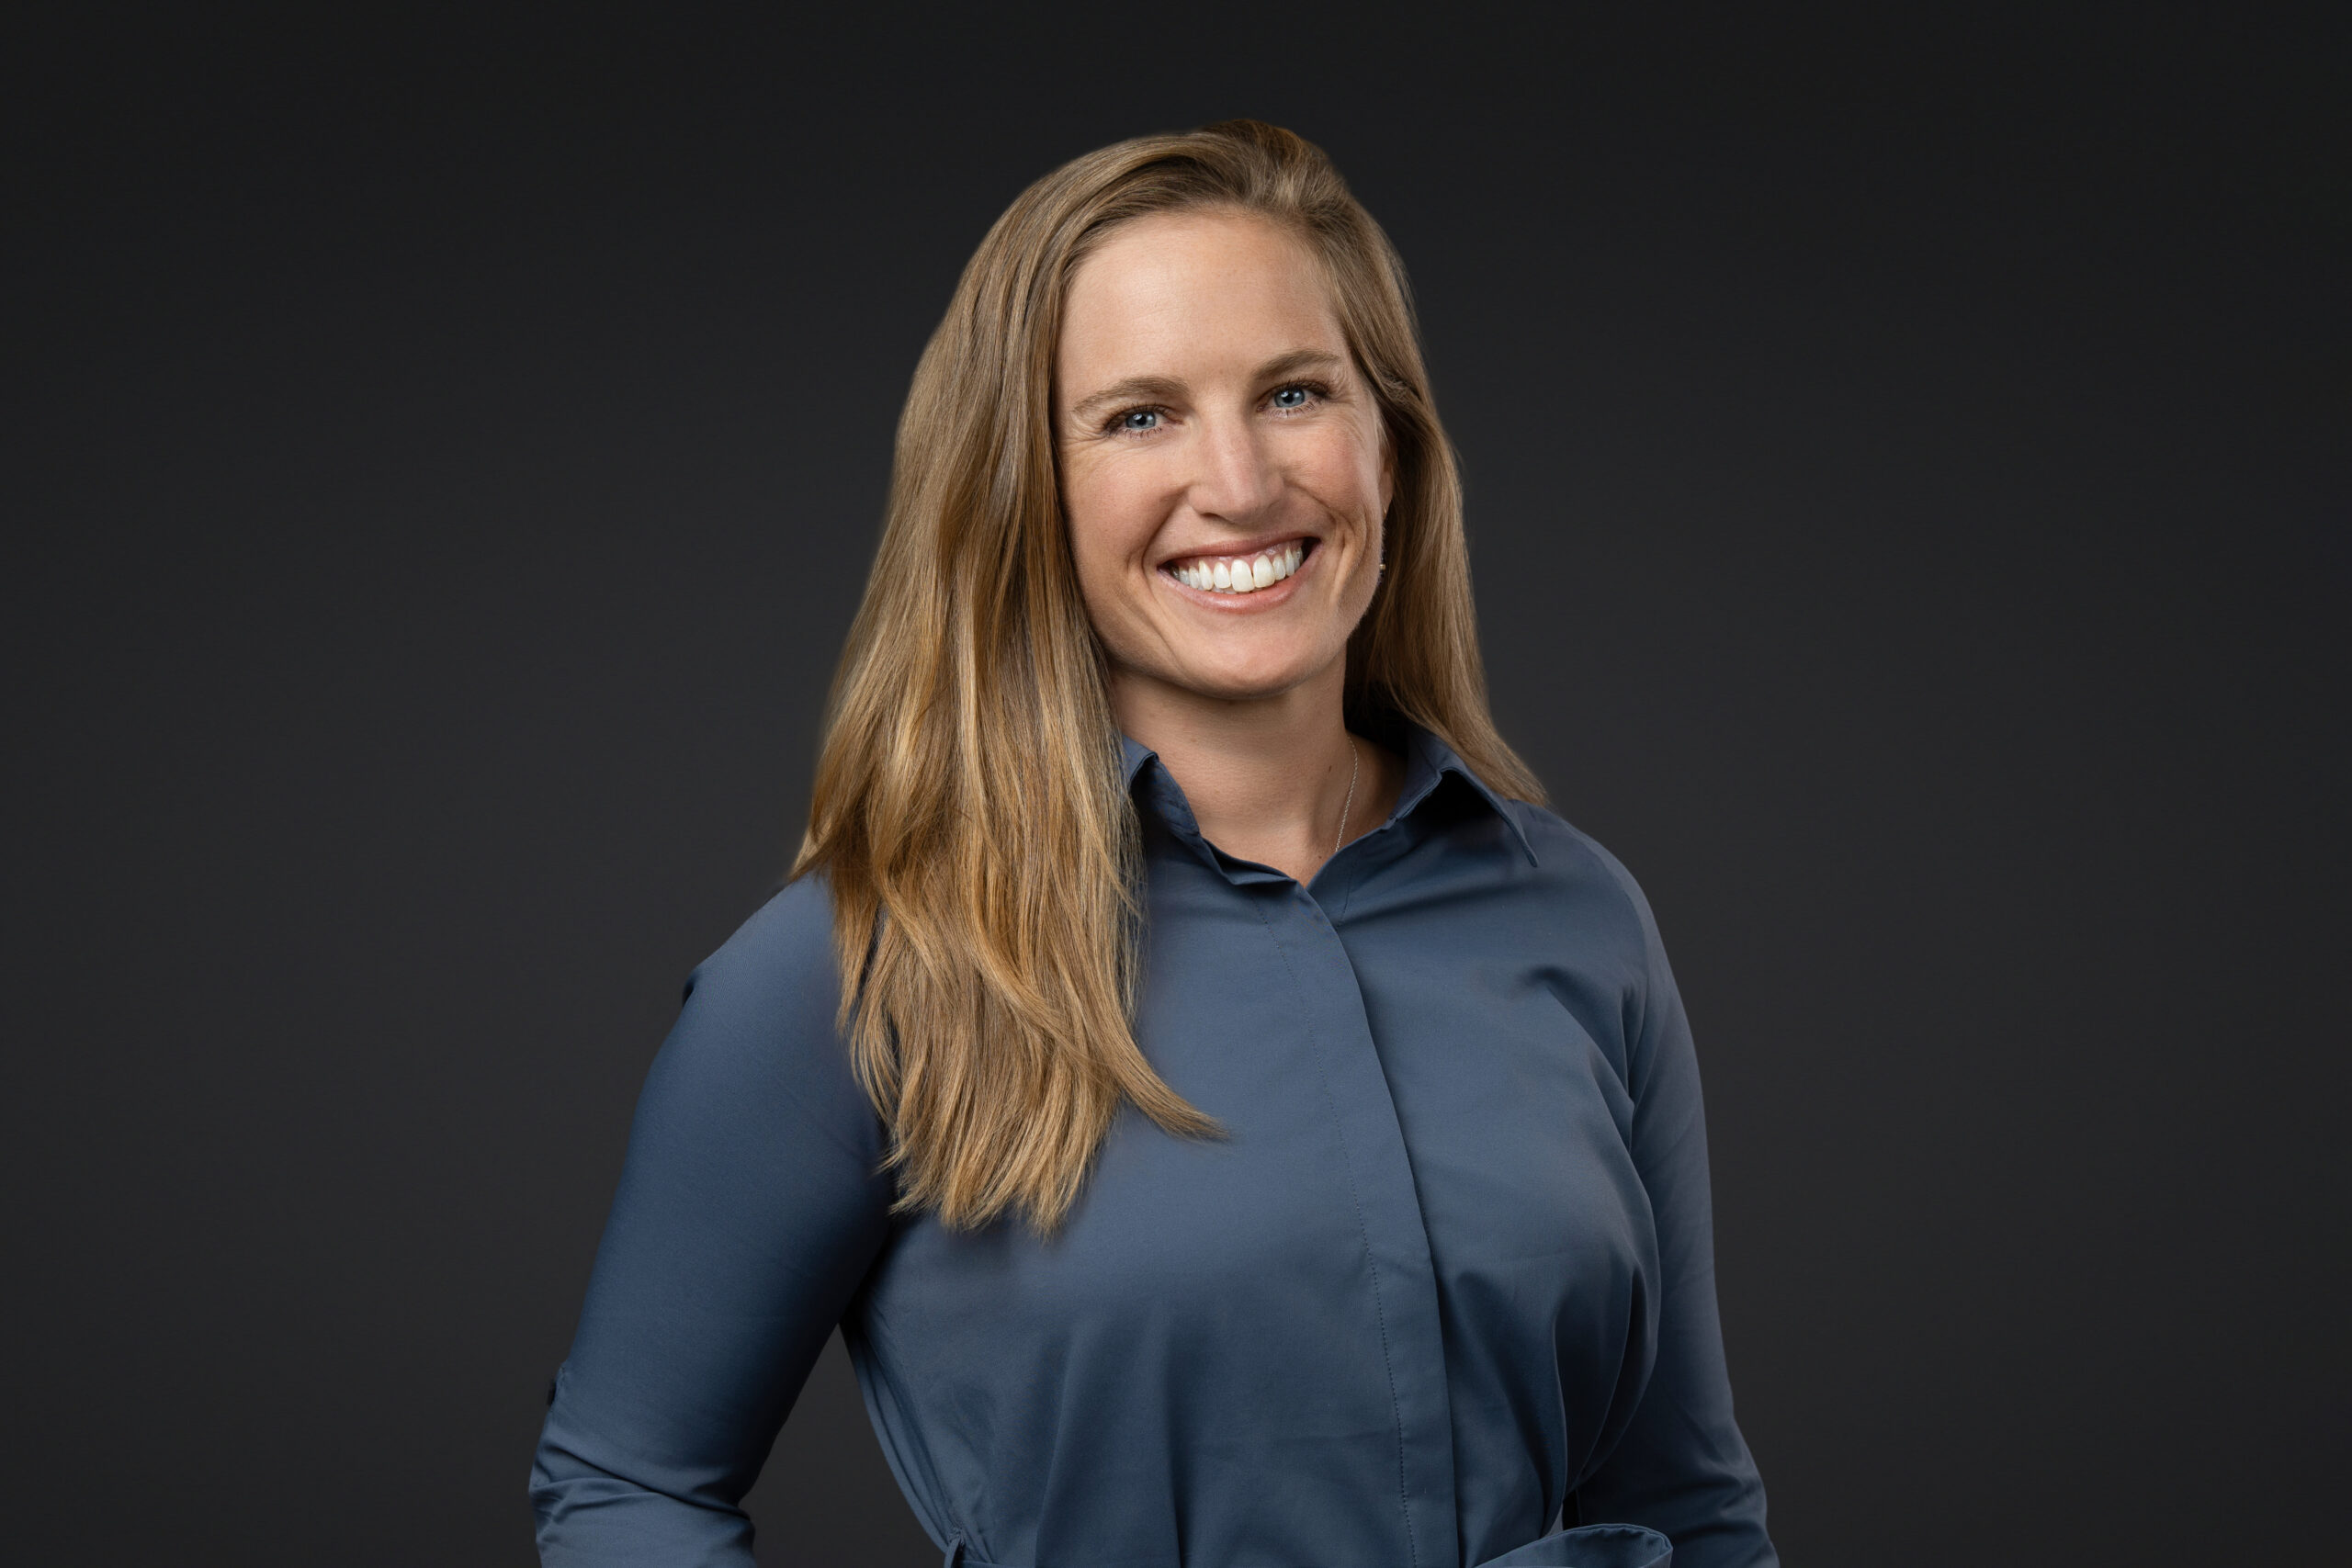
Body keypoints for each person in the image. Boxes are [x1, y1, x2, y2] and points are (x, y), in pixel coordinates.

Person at [530, 119, 1776, 1568]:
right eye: (1139, 417)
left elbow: (1683, 1503)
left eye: (1295, 392)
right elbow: (628, 1488)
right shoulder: (853, 972)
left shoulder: (1575, 915)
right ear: (1023, 492)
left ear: (1390, 441)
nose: (1240, 484)